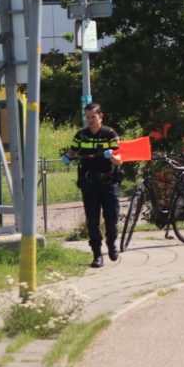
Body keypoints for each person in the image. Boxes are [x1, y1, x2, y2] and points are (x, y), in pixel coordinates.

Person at [65, 103, 123, 268]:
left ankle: (111, 243)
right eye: (87, 117)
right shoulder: (81, 135)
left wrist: (111, 156)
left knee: (111, 217)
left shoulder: (110, 134)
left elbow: (120, 160)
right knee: (92, 221)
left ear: (101, 116)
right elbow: (73, 151)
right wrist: (68, 157)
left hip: (108, 182)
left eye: (93, 117)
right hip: (89, 184)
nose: (90, 120)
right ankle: (97, 254)